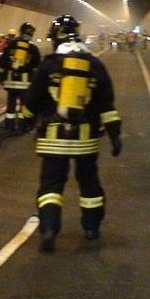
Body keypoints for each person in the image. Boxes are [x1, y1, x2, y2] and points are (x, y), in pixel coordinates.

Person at [22, 15, 122, 252]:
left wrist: (25, 119)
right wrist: (115, 135)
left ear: (56, 36)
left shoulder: (49, 64)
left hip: (53, 139)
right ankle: (91, 228)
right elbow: (107, 105)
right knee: (89, 183)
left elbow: (32, 100)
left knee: (51, 185)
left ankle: (48, 228)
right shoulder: (94, 64)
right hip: (86, 139)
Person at [0, 22, 41, 132]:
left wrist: (9, 69)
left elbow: (2, 62)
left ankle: (9, 126)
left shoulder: (11, 45)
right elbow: (36, 65)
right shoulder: (33, 48)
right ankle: (22, 126)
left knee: (11, 106)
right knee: (23, 105)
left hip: (11, 82)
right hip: (25, 83)